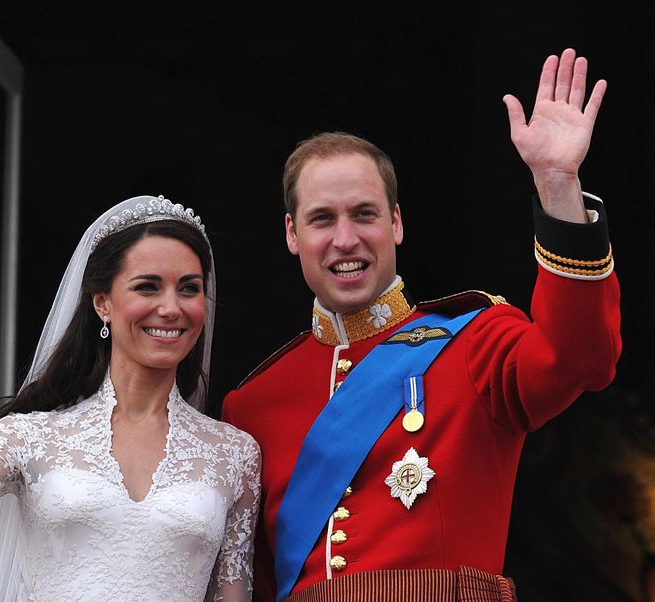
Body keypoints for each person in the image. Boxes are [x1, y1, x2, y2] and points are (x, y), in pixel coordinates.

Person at [222, 49, 621, 601]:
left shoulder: (476, 342)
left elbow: (582, 357)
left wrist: (557, 185)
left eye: (364, 214)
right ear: (292, 234)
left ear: (396, 223)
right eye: (322, 219)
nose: (345, 239)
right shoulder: (252, 405)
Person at [0, 196, 261, 601]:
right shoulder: (30, 436)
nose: (171, 307)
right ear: (102, 302)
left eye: (189, 289)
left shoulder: (234, 455)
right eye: (148, 286)